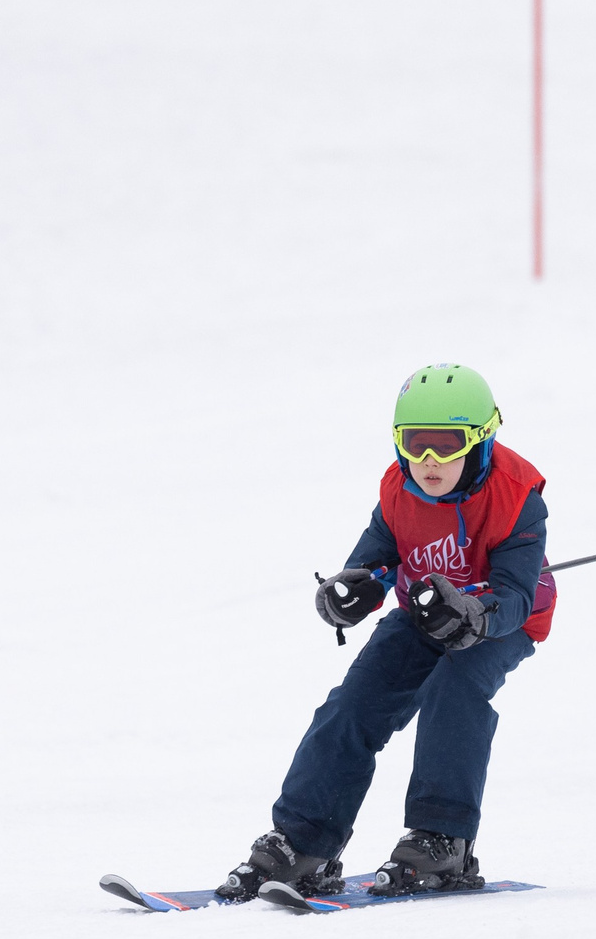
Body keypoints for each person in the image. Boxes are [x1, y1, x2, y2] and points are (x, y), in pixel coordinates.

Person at [216, 365, 556, 902]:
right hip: (423, 613)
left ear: (482, 440)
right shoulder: (398, 489)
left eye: (447, 445)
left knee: (455, 691)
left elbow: (516, 594)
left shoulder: (517, 496)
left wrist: (476, 613)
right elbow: (375, 560)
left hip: (498, 620)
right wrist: (349, 592)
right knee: (352, 705)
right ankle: (303, 843)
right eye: (415, 444)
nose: (429, 462)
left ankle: (442, 838)